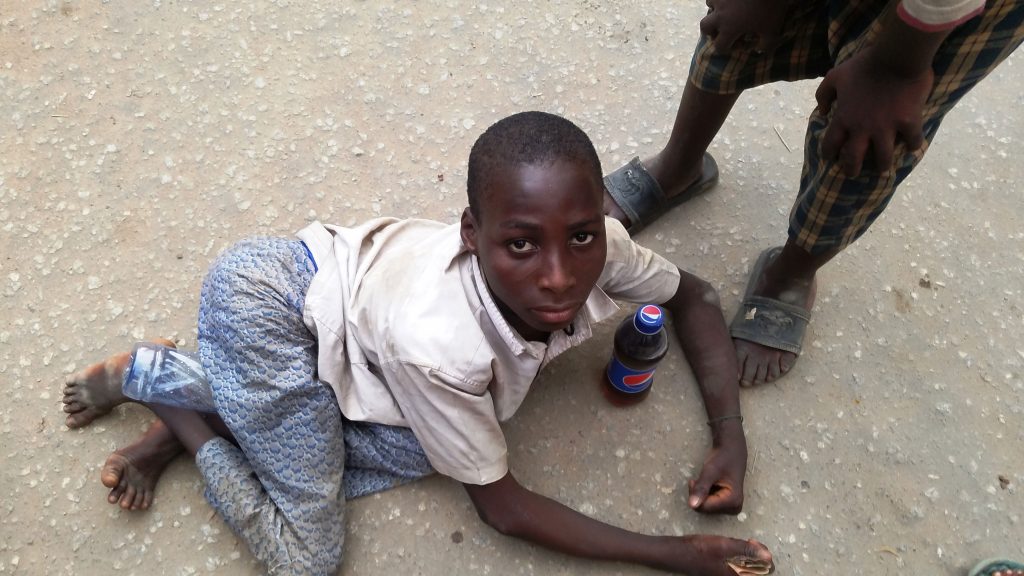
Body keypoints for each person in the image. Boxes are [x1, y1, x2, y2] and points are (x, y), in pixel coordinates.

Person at [62, 112, 774, 576]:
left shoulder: (604, 247)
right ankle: (173, 395)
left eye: (581, 236)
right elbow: (502, 506)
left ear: (596, 223)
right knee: (306, 558)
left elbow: (695, 296)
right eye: (521, 243)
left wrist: (730, 439)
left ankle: (221, 394)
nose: (560, 276)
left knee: (414, 448)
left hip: (345, 322)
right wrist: (675, 555)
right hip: (271, 309)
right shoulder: (441, 348)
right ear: (472, 233)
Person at [602, 0, 1024, 387]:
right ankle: (678, 169)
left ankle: (791, 272)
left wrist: (895, 70)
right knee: (733, 32)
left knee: (867, 135)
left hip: (949, 15)